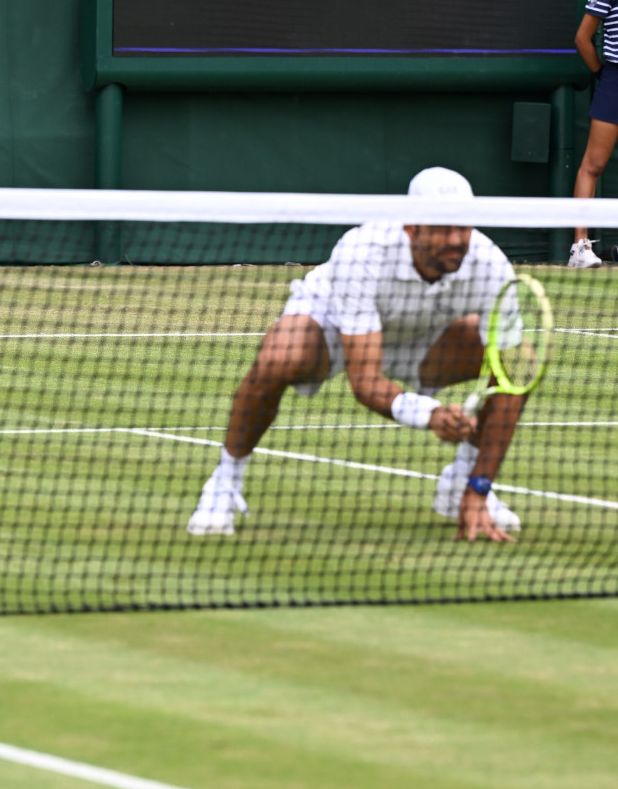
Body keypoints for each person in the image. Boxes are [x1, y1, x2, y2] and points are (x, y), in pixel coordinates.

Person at [187, 167, 525, 544]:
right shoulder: (363, 251)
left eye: (463, 228)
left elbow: (510, 378)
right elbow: (364, 382)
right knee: (281, 356)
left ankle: (464, 482)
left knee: (515, 365)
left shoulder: (492, 267)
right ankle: (225, 482)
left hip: (425, 340)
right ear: (411, 227)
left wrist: (480, 486)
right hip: (333, 328)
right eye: (442, 228)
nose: (456, 239)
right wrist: (430, 415)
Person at [568, 0, 618, 268]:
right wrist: (600, 71)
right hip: (614, 81)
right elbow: (582, 38)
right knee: (593, 164)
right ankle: (580, 248)